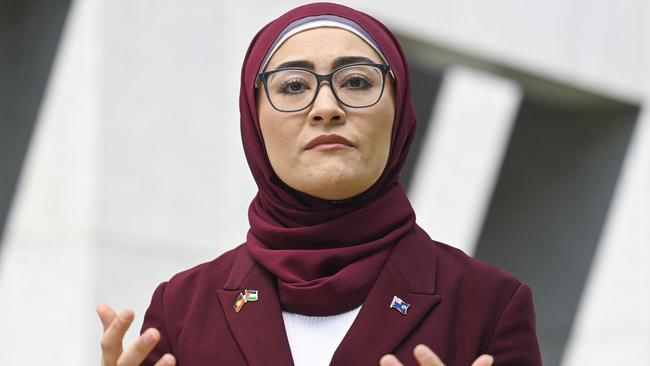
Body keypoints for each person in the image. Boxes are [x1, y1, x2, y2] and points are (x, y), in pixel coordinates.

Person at [96, 2, 542, 365]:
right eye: (292, 86)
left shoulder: (489, 304)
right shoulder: (181, 309)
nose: (326, 107)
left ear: (400, 108)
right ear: (253, 120)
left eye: (356, 81)